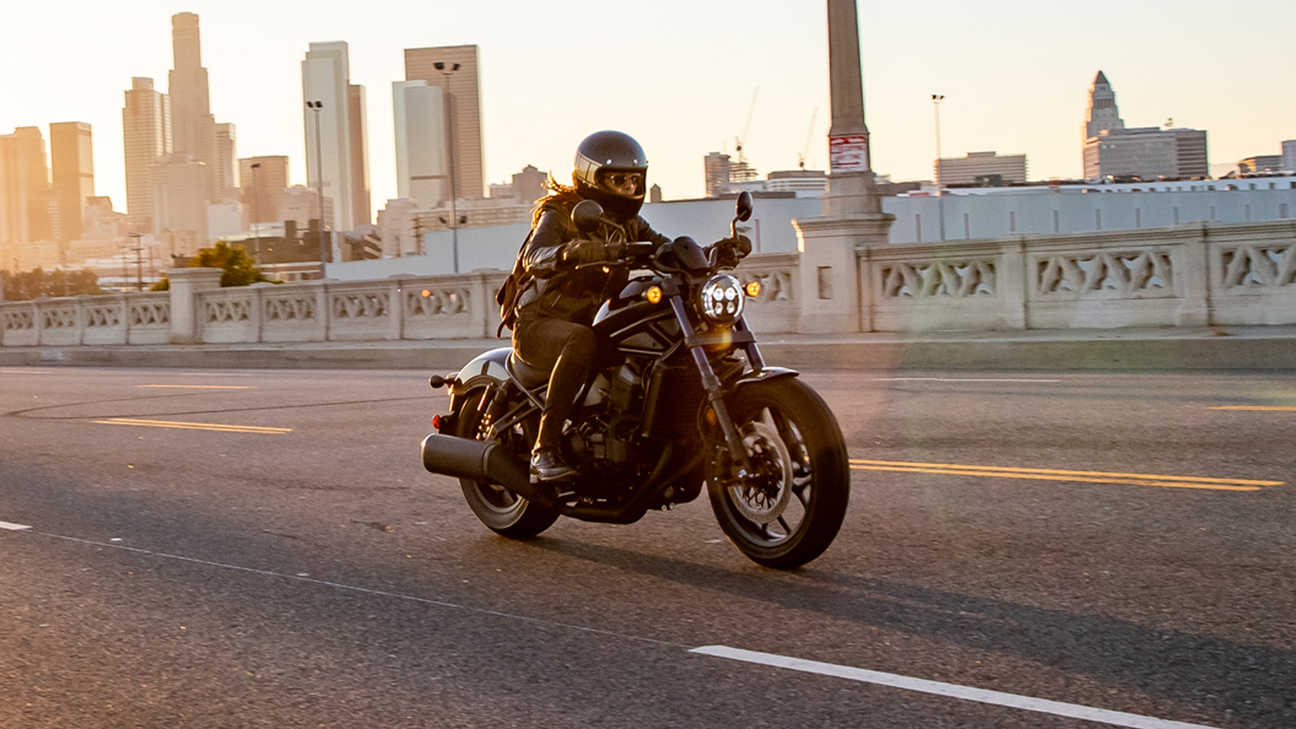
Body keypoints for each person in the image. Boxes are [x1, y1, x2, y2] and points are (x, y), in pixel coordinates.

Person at [511, 130, 672, 483]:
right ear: (591, 178)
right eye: (618, 180)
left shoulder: (631, 223)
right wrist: (569, 251)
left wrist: (708, 253)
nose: (629, 189)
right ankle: (544, 451)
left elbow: (664, 248)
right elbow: (532, 256)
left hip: (594, 321)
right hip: (541, 324)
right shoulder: (561, 213)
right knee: (580, 341)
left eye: (634, 180)